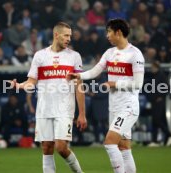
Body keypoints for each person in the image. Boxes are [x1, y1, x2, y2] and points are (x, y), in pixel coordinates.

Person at [67, 18, 144, 173]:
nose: (107, 35)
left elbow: (138, 84)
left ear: (118, 32)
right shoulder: (110, 53)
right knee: (124, 147)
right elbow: (96, 70)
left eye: (109, 32)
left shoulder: (135, 54)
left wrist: (114, 84)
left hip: (128, 107)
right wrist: (79, 76)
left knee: (109, 142)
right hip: (114, 107)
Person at [9, 22, 87, 173]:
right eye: (66, 35)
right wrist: (19, 86)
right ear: (56, 35)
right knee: (46, 147)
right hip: (44, 109)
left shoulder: (74, 57)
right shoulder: (40, 56)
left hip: (65, 109)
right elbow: (31, 82)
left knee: (61, 147)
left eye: (70, 36)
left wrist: (82, 113)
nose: (69, 39)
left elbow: (79, 86)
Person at [148, 61, 171, 147]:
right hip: (154, 101)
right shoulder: (153, 76)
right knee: (154, 121)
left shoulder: (161, 75)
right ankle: (154, 141)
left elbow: (167, 88)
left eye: (153, 67)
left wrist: (160, 97)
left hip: (159, 102)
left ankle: (170, 135)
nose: (151, 69)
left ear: (157, 67)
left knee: (157, 119)